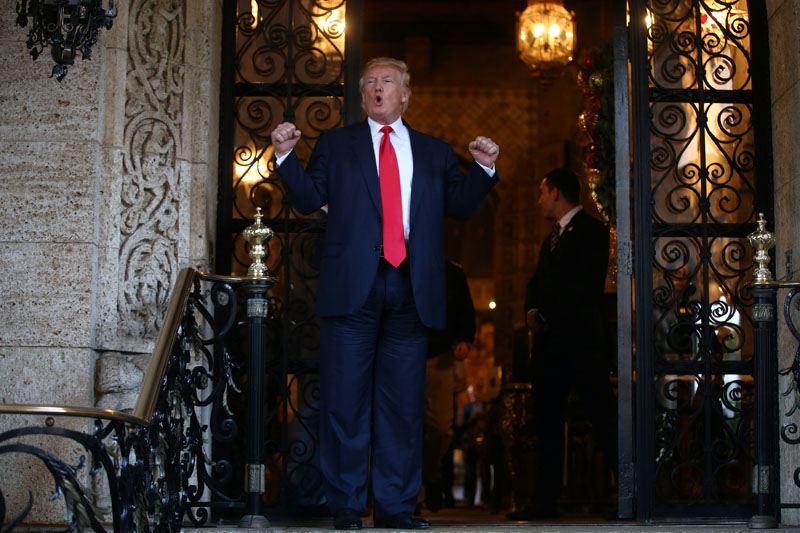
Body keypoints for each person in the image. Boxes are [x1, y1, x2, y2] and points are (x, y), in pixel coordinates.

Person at [270, 57, 499, 530]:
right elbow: (310, 197)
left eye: (387, 82)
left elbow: (459, 205)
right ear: (362, 96)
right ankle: (347, 506)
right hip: (353, 285)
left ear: (405, 94)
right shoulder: (336, 144)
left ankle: (395, 507)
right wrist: (285, 158)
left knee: (402, 405)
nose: (378, 89)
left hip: (412, 287)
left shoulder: (435, 152)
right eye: (370, 83)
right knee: (345, 402)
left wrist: (483, 167)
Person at [507, 167, 617, 520]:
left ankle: (628, 494)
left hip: (583, 345)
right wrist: (530, 311)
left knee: (603, 419)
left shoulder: (593, 232)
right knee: (548, 426)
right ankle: (544, 502)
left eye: (542, 192)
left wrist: (547, 315)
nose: (539, 200)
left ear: (556, 192)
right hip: (551, 351)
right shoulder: (550, 238)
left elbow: (583, 285)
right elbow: (538, 282)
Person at [421, 259, 475, 513]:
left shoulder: (452, 272)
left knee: (441, 427)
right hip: (403, 353)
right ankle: (414, 494)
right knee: (405, 426)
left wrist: (465, 338)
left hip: (439, 355)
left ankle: (430, 475)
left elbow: (464, 308)